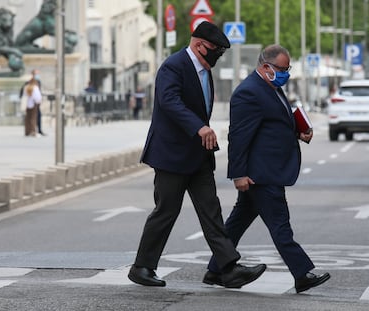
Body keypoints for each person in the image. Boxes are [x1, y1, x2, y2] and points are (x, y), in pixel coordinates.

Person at [127, 21, 266, 288]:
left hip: (199, 156)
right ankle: (142, 267)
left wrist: (203, 132)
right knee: (166, 211)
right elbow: (169, 101)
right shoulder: (174, 65)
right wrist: (199, 127)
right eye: (214, 50)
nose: (217, 56)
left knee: (211, 211)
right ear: (199, 45)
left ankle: (228, 269)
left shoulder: (204, 69)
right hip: (171, 155)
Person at [203, 44, 331, 293]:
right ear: (265, 67)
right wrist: (238, 173)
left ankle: (215, 269)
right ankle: (302, 273)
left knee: (237, 223)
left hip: (265, 170)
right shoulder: (249, 92)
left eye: (288, 69)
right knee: (280, 224)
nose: (286, 74)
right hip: (261, 173)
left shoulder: (271, 88)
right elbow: (238, 136)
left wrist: (298, 130)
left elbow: (272, 125)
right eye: (282, 69)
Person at [20, 69, 45, 136]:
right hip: (34, 104)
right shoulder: (34, 87)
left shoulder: (27, 86)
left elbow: (23, 94)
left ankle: (28, 131)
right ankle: (33, 131)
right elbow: (37, 96)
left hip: (27, 104)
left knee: (28, 118)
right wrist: (39, 101)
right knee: (34, 118)